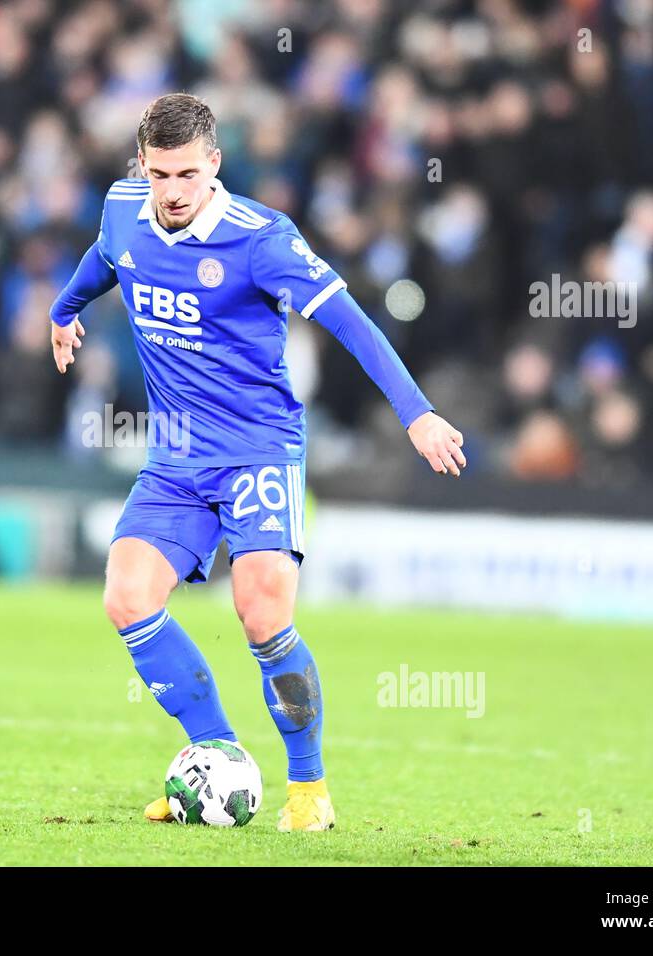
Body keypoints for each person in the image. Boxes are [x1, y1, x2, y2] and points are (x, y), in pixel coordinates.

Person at [49, 93, 465, 830]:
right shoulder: (123, 207)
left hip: (257, 450)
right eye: (158, 175)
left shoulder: (262, 239)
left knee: (262, 615)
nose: (171, 192)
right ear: (140, 167)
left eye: (185, 174)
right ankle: (216, 759)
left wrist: (417, 412)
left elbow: (353, 323)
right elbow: (105, 259)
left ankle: (309, 790)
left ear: (214, 164)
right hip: (175, 458)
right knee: (127, 597)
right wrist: (65, 310)